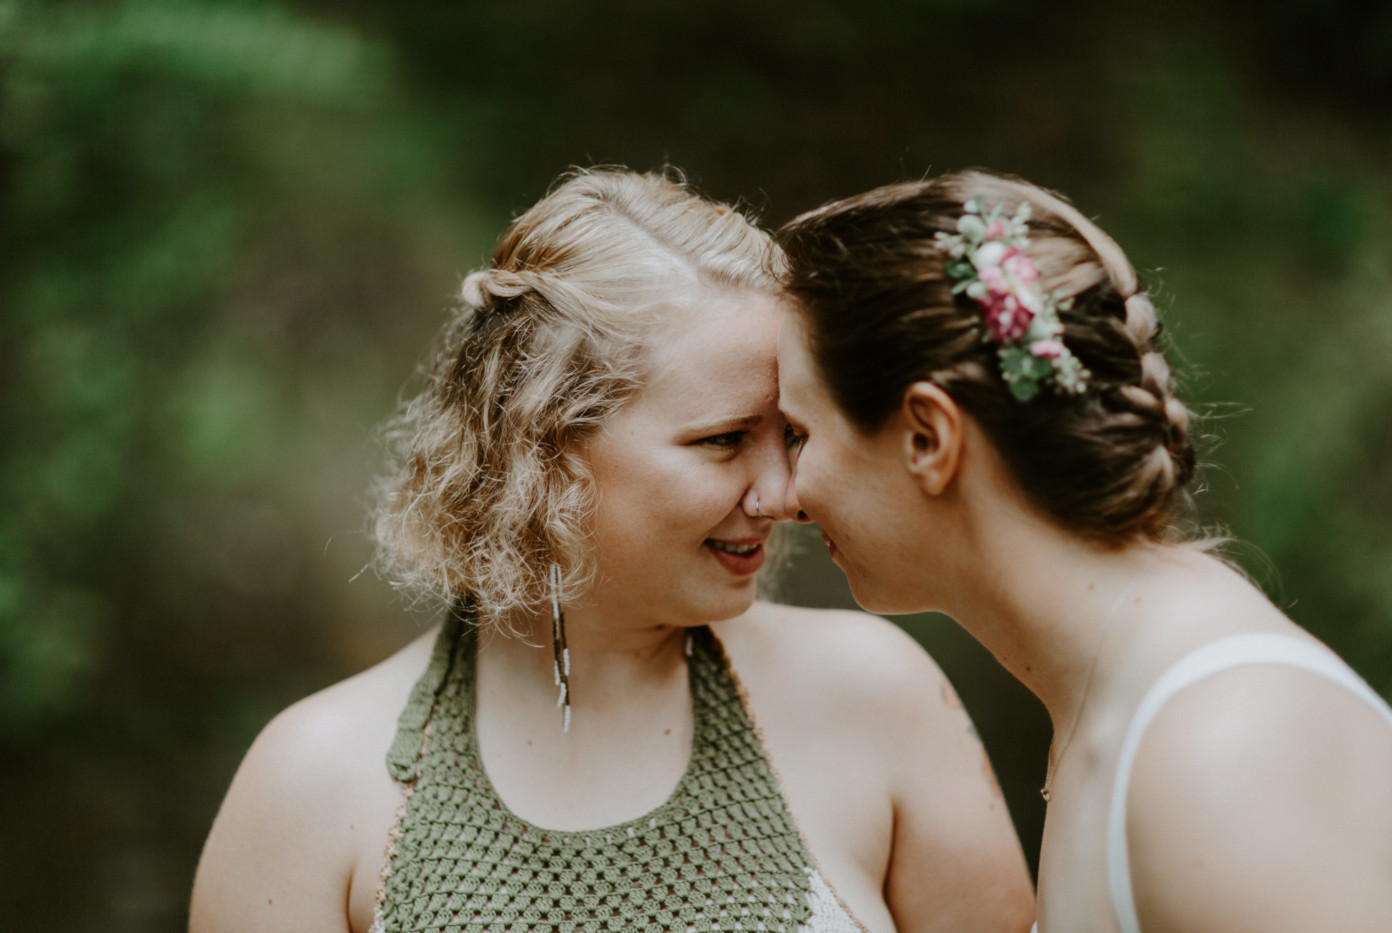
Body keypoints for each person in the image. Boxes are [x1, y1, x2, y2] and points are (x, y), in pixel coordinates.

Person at [190, 167, 1034, 933]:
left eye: (791, 434)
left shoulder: (877, 696)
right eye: (725, 438)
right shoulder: (312, 785)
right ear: (542, 446)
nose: (784, 494)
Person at [775, 171, 1392, 933]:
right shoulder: (1108, 701)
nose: (785, 498)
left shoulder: (1217, 752)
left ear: (928, 438)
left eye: (798, 434)